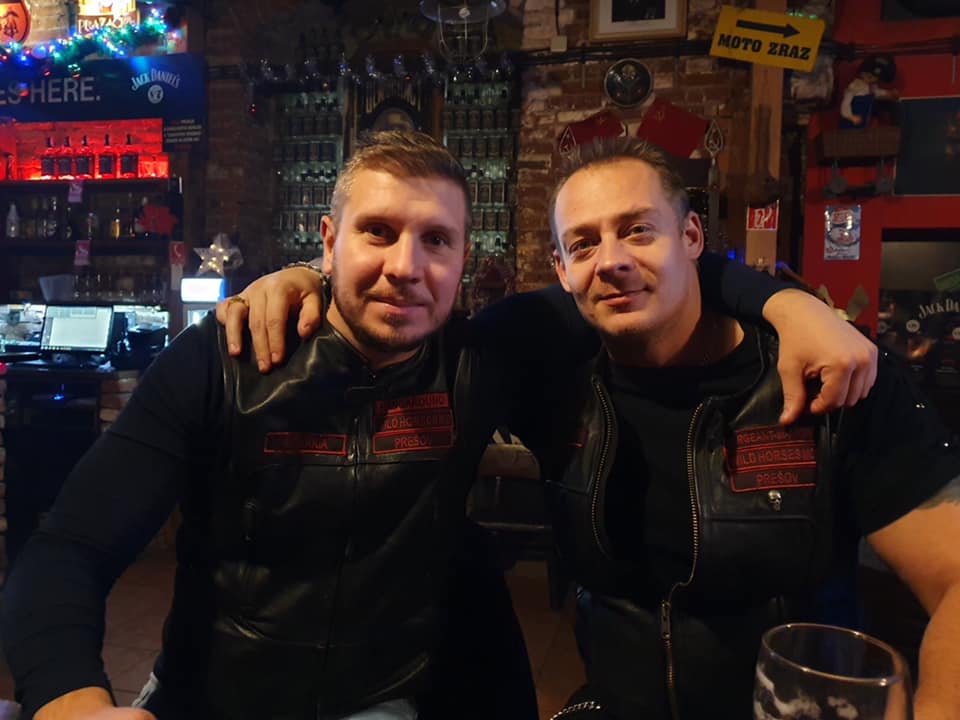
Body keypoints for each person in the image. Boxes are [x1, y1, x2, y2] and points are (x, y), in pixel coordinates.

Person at [2, 131, 875, 720]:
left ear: (465, 260)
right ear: (327, 241)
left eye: (436, 241)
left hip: (384, 701)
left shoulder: (486, 357)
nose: (405, 267)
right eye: (377, 233)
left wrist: (785, 301)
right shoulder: (223, 359)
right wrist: (71, 700)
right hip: (212, 697)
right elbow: (69, 548)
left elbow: (650, 277)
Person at [218, 137, 960, 719]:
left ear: (692, 236)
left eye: (639, 230)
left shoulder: (828, 370)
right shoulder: (536, 359)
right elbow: (398, 308)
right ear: (561, 267)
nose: (612, 262)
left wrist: (787, 303)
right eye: (583, 244)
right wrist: (308, 275)